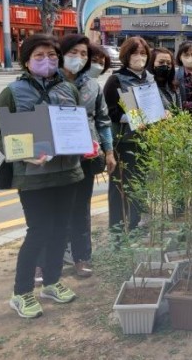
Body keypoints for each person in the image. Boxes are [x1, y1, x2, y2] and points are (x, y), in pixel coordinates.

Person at [0, 34, 82, 318]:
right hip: (33, 176)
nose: (47, 61)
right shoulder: (12, 92)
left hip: (67, 173)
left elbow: (78, 122)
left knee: (61, 230)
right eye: (39, 56)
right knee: (39, 231)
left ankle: (52, 282)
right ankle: (21, 292)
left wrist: (85, 142)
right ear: (26, 61)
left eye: (52, 55)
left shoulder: (68, 88)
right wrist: (21, 152)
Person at [59, 35, 117, 279]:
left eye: (84, 54)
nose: (80, 58)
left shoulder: (92, 85)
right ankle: (46, 259)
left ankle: (82, 257)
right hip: (55, 157)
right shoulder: (48, 82)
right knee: (53, 209)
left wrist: (109, 151)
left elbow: (103, 120)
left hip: (86, 156)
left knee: (81, 207)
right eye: (74, 52)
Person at [103, 36, 153, 233]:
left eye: (143, 53)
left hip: (144, 141)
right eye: (134, 53)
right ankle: (118, 230)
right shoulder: (116, 79)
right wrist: (132, 118)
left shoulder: (149, 77)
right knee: (120, 188)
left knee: (139, 184)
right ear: (126, 55)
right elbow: (109, 112)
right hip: (123, 142)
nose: (139, 57)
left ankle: (135, 224)